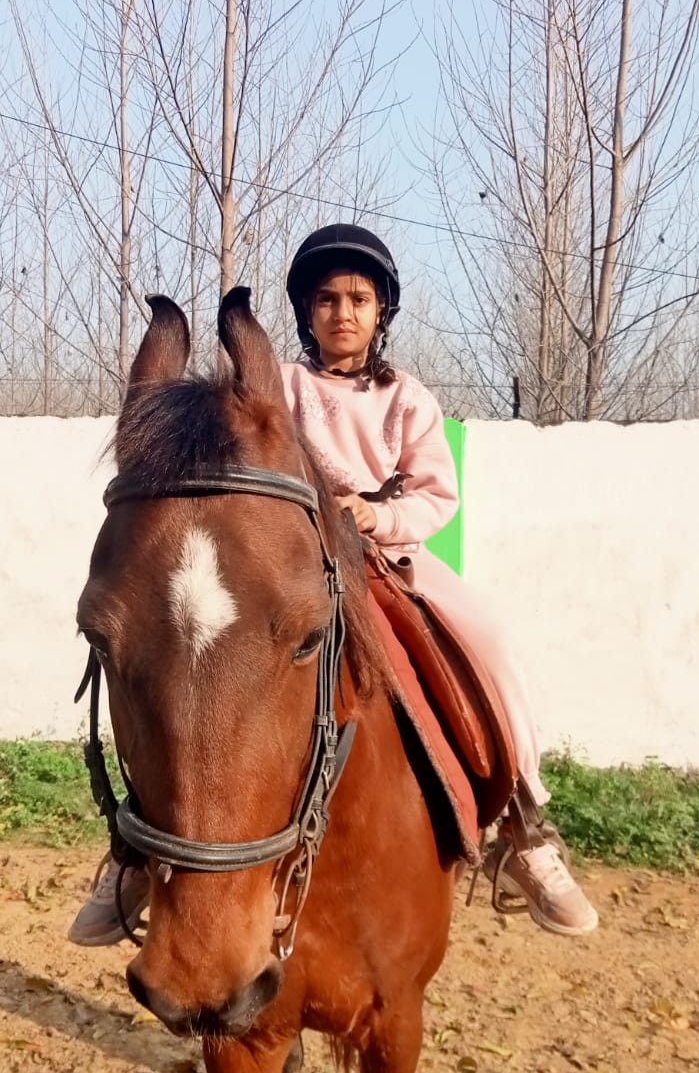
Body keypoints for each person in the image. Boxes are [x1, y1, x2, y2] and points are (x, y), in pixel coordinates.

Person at [68, 225, 598, 945]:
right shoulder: (279, 388)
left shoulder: (407, 398)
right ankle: (138, 850)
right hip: (298, 560)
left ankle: (523, 827)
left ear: (381, 312)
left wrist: (378, 516)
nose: (342, 313)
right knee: (187, 671)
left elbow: (437, 496)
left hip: (389, 558)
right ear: (306, 312)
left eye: (358, 299)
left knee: (491, 644)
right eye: (325, 300)